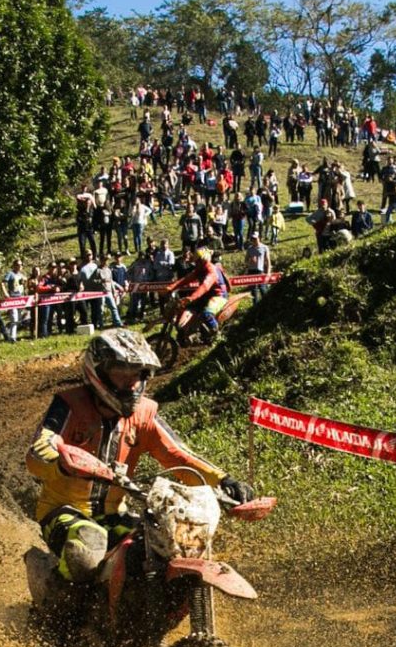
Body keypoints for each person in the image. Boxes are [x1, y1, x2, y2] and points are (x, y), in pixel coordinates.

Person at [25, 329, 243, 588]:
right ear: (99, 373)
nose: (131, 383)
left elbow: (178, 454)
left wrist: (223, 479)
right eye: (121, 374)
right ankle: (55, 612)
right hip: (63, 512)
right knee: (88, 542)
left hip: (115, 514)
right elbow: (40, 448)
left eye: (137, 374)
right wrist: (60, 464)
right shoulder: (70, 405)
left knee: (164, 543)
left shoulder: (145, 414)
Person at [161, 245, 231, 356]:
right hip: (206, 295)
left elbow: (205, 286)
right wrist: (170, 287)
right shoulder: (200, 269)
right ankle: (191, 332)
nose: (195, 263)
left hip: (219, 295)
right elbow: (186, 279)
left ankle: (217, 337)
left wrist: (191, 297)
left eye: (197, 261)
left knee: (207, 313)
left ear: (203, 260)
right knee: (188, 308)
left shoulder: (211, 270)